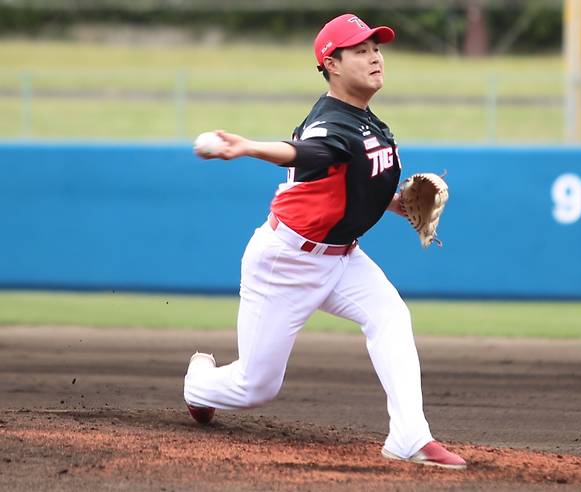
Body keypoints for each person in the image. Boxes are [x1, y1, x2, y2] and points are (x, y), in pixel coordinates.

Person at [183, 13, 467, 470]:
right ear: (331, 63)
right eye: (361, 50)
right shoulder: (330, 123)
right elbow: (311, 151)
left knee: (391, 316)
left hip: (343, 257)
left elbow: (350, 183)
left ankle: (410, 436)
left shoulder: (368, 122)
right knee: (256, 388)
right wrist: (251, 147)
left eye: (376, 48)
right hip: (287, 262)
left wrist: (397, 203)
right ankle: (198, 382)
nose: (375, 56)